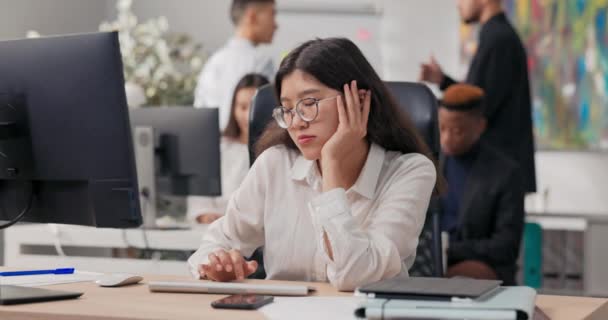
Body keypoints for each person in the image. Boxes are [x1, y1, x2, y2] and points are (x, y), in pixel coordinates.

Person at [187, 38, 439, 291]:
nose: (296, 122)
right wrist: (217, 264)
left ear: (359, 101)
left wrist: (332, 162)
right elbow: (216, 242)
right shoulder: (274, 164)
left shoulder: (410, 171)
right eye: (287, 109)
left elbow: (357, 276)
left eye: (309, 104)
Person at [420, 0, 536, 193]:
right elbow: (479, 95)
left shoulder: (499, 40)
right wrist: (443, 80)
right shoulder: (496, 36)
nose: (458, 4)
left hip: (495, 178)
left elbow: (476, 108)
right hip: (494, 174)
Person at [438, 83, 524, 285]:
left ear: (480, 126)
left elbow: (506, 246)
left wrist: (449, 248)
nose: (447, 138)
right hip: (431, 261)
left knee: (454, 279)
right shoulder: (428, 165)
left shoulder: (505, 173)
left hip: (483, 266)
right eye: (442, 128)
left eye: (457, 131)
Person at [187, 73, 270, 224]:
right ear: (233, 108)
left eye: (254, 107)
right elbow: (198, 199)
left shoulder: (277, 153)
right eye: (243, 107)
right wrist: (204, 214)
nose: (248, 115)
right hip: (217, 230)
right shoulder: (220, 149)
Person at [194, 0, 277, 131]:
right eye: (272, 14)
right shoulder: (261, 62)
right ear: (252, 16)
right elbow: (271, 116)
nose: (276, 25)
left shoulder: (213, 62)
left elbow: (199, 114)